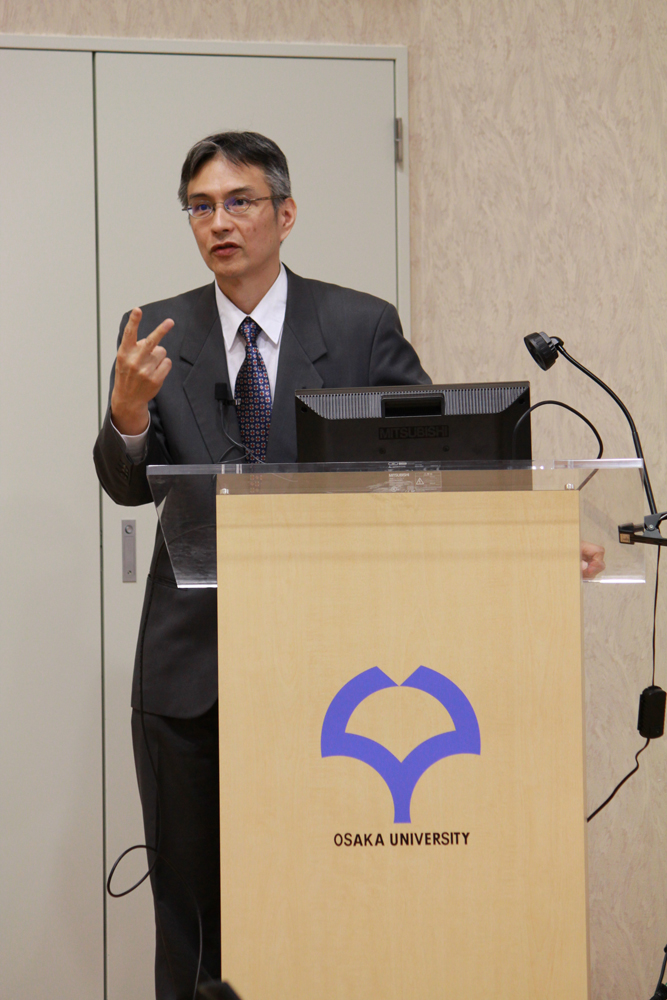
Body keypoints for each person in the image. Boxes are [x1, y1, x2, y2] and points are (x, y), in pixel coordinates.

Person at [94, 130, 431, 1000]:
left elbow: (434, 461)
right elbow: (128, 486)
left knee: (328, 894)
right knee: (192, 912)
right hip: (189, 670)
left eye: (239, 202)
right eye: (200, 207)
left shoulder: (357, 326)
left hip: (334, 667)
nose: (220, 222)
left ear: (284, 215)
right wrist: (127, 415)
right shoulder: (156, 331)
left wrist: (529, 534)